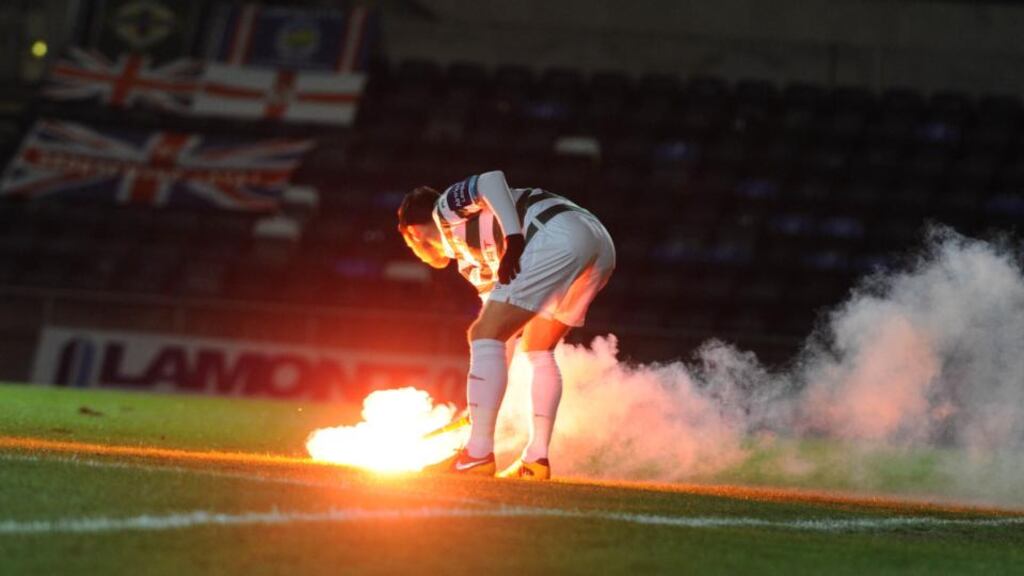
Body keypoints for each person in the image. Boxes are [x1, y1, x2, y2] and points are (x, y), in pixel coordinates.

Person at [397, 170, 615, 479]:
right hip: (598, 244)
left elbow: (491, 180)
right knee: (537, 349)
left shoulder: (444, 209)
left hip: (557, 233)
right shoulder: (473, 264)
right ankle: (535, 460)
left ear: (413, 234)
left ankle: (477, 455)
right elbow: (503, 340)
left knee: (482, 333)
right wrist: (477, 409)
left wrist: (513, 238)